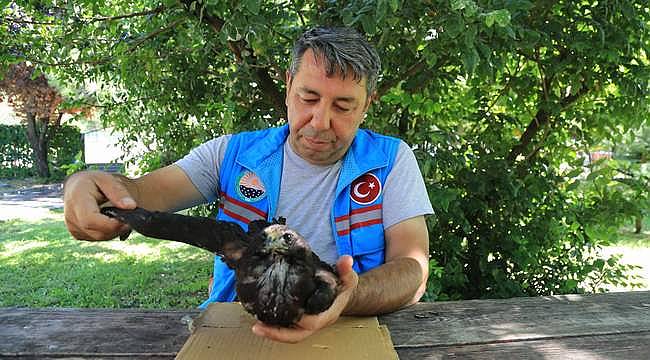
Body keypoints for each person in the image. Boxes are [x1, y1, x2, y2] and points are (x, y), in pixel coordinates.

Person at [63, 26, 433, 343]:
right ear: (288, 87)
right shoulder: (232, 155)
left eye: (343, 106)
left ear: (367, 104)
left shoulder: (391, 161)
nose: (320, 121)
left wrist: (346, 298)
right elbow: (141, 193)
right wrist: (89, 184)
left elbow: (412, 270)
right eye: (309, 98)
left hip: (353, 332)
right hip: (233, 330)